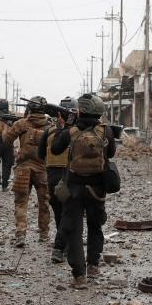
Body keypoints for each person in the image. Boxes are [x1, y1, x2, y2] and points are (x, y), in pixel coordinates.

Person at [51, 93, 116, 289]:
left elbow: (55, 149)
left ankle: (79, 276)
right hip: (98, 189)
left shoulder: (71, 131)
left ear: (81, 110)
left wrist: (65, 127)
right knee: (96, 226)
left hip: (73, 188)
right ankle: (94, 265)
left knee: (74, 231)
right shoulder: (106, 132)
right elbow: (111, 153)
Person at [3, 96, 51, 247]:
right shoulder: (50, 126)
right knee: (44, 203)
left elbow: (6, 140)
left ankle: (20, 235)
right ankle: (44, 235)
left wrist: (7, 126)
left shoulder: (22, 123)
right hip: (43, 170)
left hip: (23, 169)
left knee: (21, 203)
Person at [38, 97, 75, 264]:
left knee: (60, 213)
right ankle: (62, 248)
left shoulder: (50, 131)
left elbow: (41, 155)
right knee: (70, 214)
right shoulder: (77, 132)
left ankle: (63, 246)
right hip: (71, 177)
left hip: (52, 178)